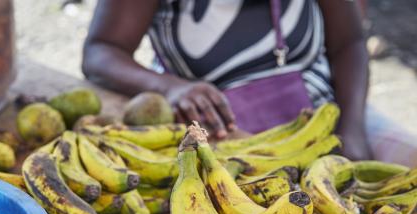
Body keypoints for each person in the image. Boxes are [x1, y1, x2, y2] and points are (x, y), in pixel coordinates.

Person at [82, 0, 416, 166]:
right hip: (218, 134)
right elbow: (101, 52)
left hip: (328, 109)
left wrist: (352, 130)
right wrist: (169, 87)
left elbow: (350, 43)